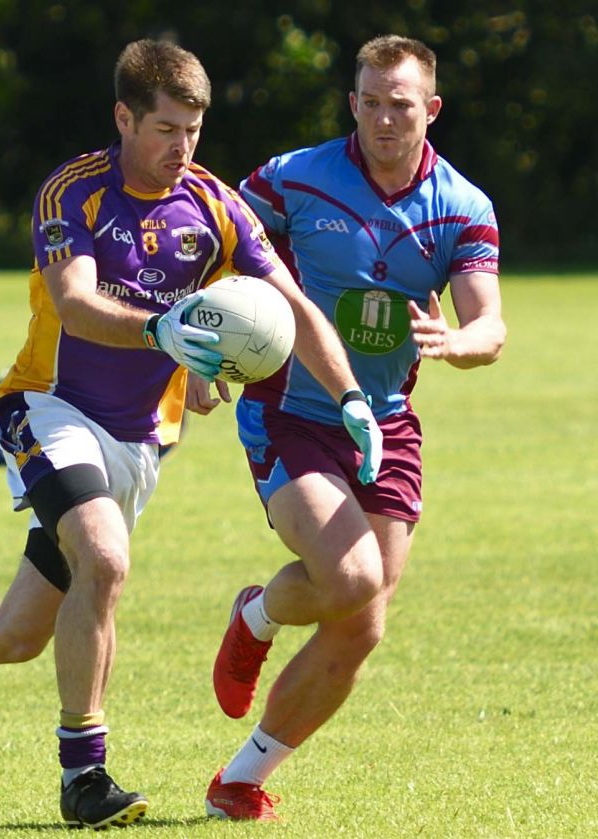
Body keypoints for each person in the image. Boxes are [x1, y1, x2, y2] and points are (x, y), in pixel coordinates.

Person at [0, 39, 379, 830]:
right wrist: (163, 334)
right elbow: (73, 301)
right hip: (47, 407)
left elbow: (292, 307)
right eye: (166, 129)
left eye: (194, 131)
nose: (182, 148)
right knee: (104, 556)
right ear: (124, 116)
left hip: (140, 440)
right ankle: (85, 776)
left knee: (15, 634)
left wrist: (348, 395)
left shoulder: (213, 205)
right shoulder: (73, 192)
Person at [204, 35, 505, 821]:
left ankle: (239, 778)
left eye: (399, 104)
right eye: (369, 101)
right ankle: (257, 618)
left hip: (387, 423)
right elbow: (214, 250)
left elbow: (488, 326)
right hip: (291, 410)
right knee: (352, 578)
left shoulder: (464, 209)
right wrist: (199, 351)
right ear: (353, 103)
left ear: (430, 110)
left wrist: (456, 343)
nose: (382, 117)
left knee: (360, 626)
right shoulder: (292, 176)